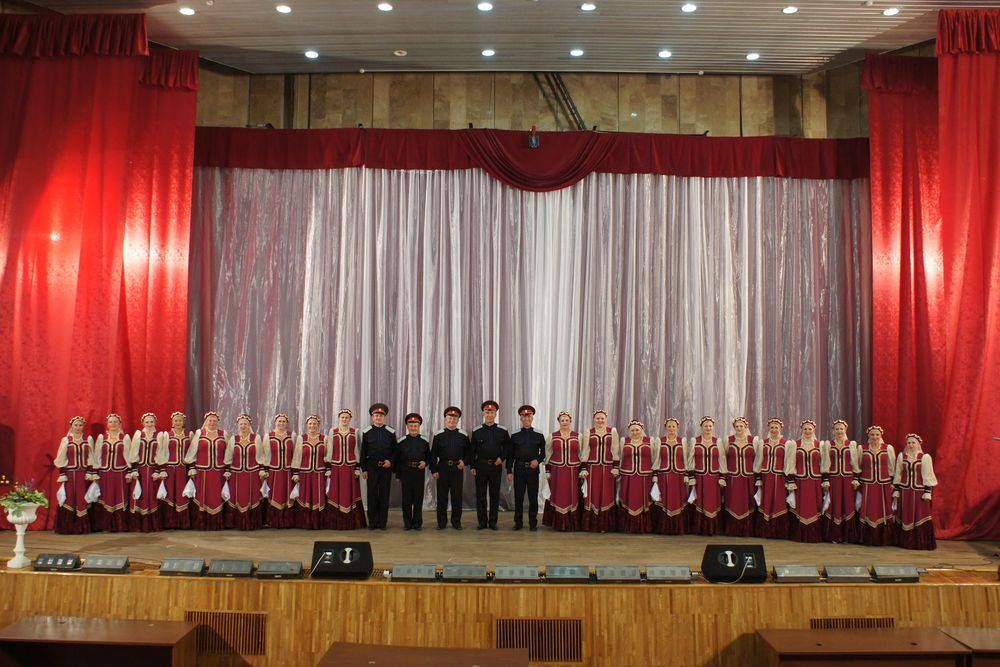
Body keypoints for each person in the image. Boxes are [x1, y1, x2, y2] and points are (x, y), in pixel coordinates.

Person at [542, 411, 585, 532]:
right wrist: (548, 471)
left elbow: (582, 454)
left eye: (567, 420)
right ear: (559, 422)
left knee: (573, 495)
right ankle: (558, 523)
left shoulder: (578, 436)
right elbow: (548, 454)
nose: (564, 422)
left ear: (570, 421)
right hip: (557, 472)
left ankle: (573, 523)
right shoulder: (552, 436)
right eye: (562, 420)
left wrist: (583, 469)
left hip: (573, 471)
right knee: (558, 495)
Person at [185, 411, 229, 531]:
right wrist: (192, 468)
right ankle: (203, 522)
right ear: (206, 421)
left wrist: (227, 469)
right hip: (202, 472)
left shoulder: (223, 434)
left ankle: (218, 523)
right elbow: (192, 451)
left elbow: (228, 453)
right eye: (210, 420)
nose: (212, 422)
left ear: (218, 422)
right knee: (203, 495)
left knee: (217, 496)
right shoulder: (200, 433)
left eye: (214, 420)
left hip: (219, 472)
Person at [893, 433, 937, 550]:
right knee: (905, 514)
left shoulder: (924, 457)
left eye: (913, 443)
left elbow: (928, 475)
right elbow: (898, 473)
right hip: (905, 491)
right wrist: (896, 489)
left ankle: (919, 542)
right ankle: (904, 541)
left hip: (919, 492)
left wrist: (927, 491)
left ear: (918, 444)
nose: (911, 445)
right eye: (909, 443)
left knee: (920, 515)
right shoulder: (902, 456)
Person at [324, 408, 366, 530]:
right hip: (336, 468)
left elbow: (358, 451)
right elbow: (330, 451)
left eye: (347, 417)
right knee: (336, 493)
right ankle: (335, 523)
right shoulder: (333, 432)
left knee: (351, 493)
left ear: (350, 419)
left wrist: (357, 468)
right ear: (339, 418)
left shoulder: (355, 432)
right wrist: (328, 468)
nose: (344, 419)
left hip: (350, 468)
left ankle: (352, 522)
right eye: (342, 417)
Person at [470, 400, 509, 530]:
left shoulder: (502, 430)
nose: (489, 414)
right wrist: (473, 466)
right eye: (487, 412)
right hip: (481, 466)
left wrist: (501, 458)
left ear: (495, 414)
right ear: (483, 413)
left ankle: (493, 522)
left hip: (495, 467)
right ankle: (482, 522)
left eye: (492, 412)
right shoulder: (477, 431)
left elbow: (508, 448)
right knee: (480, 495)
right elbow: (472, 451)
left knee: (494, 495)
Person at [506, 405, 546, 531]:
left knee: (533, 497)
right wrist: (509, 471)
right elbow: (510, 455)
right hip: (519, 469)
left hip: (533, 470)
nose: (526, 418)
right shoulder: (515, 435)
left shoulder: (539, 434)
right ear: (521, 418)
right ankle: (518, 523)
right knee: (519, 497)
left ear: (532, 418)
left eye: (529, 416)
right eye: (524, 416)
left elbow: (544, 453)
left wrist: (537, 460)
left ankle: (533, 523)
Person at [53, 416, 94, 534]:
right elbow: (61, 458)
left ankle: (82, 527)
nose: (78, 427)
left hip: (83, 474)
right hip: (70, 474)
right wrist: (62, 474)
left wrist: (90, 472)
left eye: (80, 425)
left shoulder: (88, 439)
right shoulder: (66, 440)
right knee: (69, 498)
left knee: (82, 498)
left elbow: (91, 457)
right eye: (76, 425)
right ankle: (67, 527)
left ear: (83, 426)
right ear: (71, 426)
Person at [821, 419, 860, 543]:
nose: (839, 431)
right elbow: (826, 463)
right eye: (837, 429)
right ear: (833, 430)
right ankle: (835, 535)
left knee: (848, 505)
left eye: (841, 429)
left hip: (848, 480)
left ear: (845, 430)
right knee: (835, 505)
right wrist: (825, 479)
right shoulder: (829, 444)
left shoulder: (851, 444)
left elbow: (855, 463)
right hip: (834, 480)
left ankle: (847, 536)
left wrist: (856, 478)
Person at [91, 413, 132, 532]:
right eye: (110, 422)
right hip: (105, 473)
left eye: (115, 422)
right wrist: (95, 473)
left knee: (119, 497)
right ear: (107, 424)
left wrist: (130, 472)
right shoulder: (101, 438)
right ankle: (104, 525)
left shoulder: (125, 438)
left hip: (120, 473)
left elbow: (129, 456)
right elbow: (97, 456)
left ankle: (120, 525)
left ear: (120, 424)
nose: (113, 424)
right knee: (105, 497)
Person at [431, 406, 470, 530]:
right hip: (442, 468)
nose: (452, 420)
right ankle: (441, 523)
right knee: (442, 497)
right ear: (445, 419)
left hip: (457, 469)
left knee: (456, 497)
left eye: (455, 418)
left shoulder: (463, 435)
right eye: (449, 418)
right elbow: (433, 454)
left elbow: (469, 453)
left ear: (458, 420)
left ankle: (456, 522)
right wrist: (434, 470)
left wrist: (464, 462)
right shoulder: (438, 435)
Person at [857, 425, 896, 546]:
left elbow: (891, 466)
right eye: (872, 434)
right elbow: (859, 465)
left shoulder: (887, 448)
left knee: (883, 509)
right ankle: (867, 538)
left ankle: (883, 538)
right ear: (868, 436)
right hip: (867, 485)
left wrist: (892, 482)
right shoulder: (862, 448)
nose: (875, 437)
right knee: (868, 509)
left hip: (883, 485)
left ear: (881, 436)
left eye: (877, 435)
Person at [754, 418, 793, 539]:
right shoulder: (763, 443)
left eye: (776, 427)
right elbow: (759, 461)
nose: (774, 430)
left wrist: (789, 480)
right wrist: (759, 478)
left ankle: (779, 532)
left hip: (780, 478)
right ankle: (765, 531)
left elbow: (788, 463)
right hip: (766, 478)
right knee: (766, 501)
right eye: (772, 427)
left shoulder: (786, 443)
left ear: (780, 428)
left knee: (779, 502)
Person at [358, 403, 396, 530]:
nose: (378, 418)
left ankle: (382, 523)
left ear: (385, 417)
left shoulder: (390, 432)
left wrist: (390, 461)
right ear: (372, 417)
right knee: (372, 495)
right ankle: (373, 523)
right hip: (372, 468)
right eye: (376, 415)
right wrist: (364, 469)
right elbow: (363, 452)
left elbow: (395, 451)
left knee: (384, 495)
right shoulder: (367, 432)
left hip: (386, 468)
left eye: (381, 415)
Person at [581, 409, 620, 533]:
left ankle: (605, 525)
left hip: (608, 469)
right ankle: (591, 525)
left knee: (607, 495)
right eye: (597, 418)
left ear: (606, 419)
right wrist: (583, 468)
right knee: (593, 494)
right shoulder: (589, 432)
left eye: (602, 418)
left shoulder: (612, 431)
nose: (600, 420)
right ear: (594, 419)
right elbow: (585, 450)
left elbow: (615, 450)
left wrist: (616, 467)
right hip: (592, 469)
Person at [687, 416, 726, 536]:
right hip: (700, 479)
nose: (708, 428)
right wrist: (691, 477)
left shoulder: (718, 441)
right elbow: (690, 459)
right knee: (700, 502)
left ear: (713, 427)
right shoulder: (695, 441)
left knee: (713, 503)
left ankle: (713, 528)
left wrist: (722, 477)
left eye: (710, 426)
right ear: (701, 427)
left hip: (714, 479)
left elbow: (722, 459)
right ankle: (700, 528)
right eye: (705, 426)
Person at [225, 414, 264, 531]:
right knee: (237, 497)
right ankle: (236, 523)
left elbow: (260, 456)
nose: (243, 426)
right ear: (238, 425)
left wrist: (262, 470)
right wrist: (227, 471)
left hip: (252, 474)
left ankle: (252, 523)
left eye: (245, 424)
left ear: (249, 425)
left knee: (252, 497)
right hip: (236, 474)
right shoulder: (234, 439)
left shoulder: (256, 438)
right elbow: (228, 456)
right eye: (241, 424)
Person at [616, 420, 656, 533]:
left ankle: (643, 526)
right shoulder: (624, 441)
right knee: (628, 499)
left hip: (645, 477)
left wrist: (655, 474)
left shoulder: (650, 441)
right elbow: (620, 457)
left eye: (637, 430)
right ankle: (628, 527)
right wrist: (618, 471)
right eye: (632, 430)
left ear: (641, 430)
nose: (635, 432)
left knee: (643, 500)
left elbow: (654, 459)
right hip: (628, 477)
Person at [290, 415, 329, 530]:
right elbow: (297, 456)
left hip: (319, 474)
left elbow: (327, 456)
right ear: (307, 425)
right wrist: (295, 473)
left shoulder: (324, 438)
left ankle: (318, 522)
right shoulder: (301, 438)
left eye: (314, 424)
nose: (312, 426)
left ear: (318, 425)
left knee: (318, 497)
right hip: (304, 474)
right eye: (310, 424)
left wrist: (328, 470)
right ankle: (305, 522)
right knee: (305, 496)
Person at [723, 417, 760, 537]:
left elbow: (758, 459)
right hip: (733, 478)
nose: (739, 428)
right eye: (737, 426)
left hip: (748, 479)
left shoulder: (753, 440)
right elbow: (724, 458)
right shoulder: (728, 440)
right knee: (733, 502)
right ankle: (732, 529)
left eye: (741, 426)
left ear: (746, 427)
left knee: (747, 502)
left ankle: (747, 529)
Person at [127, 412, 164, 532]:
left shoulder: (159, 435)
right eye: (147, 422)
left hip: (152, 471)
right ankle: (138, 525)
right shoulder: (139, 435)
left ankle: (152, 524)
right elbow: (133, 453)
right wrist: (134, 470)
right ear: (143, 423)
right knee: (139, 495)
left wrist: (157, 471)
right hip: (140, 471)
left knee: (152, 495)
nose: (149, 424)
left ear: (155, 422)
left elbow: (160, 454)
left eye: (151, 422)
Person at [788, 419, 824, 543]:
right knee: (801, 506)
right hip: (801, 482)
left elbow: (823, 464)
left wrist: (825, 480)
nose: (807, 431)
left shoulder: (819, 445)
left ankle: (813, 535)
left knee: (815, 505)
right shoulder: (795, 444)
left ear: (813, 430)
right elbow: (791, 463)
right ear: (802, 430)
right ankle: (801, 534)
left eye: (810, 429)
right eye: (805, 429)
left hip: (815, 481)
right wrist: (791, 481)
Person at [652, 417, 688, 535]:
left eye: (673, 426)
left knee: (677, 500)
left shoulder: (682, 441)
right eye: (669, 426)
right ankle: (664, 527)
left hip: (678, 476)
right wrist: (655, 474)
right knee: (665, 499)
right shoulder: (660, 441)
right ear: (665, 428)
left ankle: (677, 528)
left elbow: (685, 459)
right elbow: (657, 459)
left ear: (677, 427)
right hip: (664, 476)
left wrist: (686, 474)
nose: (671, 428)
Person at [395, 413, 431, 530]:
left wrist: (425, 463)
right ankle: (407, 523)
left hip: (418, 473)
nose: (413, 428)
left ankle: (417, 523)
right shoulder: (401, 441)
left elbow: (429, 457)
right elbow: (398, 459)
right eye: (411, 425)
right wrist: (398, 475)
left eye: (415, 425)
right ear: (407, 426)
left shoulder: (424, 441)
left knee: (418, 499)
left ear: (419, 426)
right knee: (406, 500)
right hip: (406, 472)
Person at [157, 412, 191, 530]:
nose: (178, 422)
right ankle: (170, 522)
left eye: (180, 420)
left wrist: (191, 468)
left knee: (182, 494)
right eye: (176, 420)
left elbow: (192, 452)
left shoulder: (189, 435)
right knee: (170, 493)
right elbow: (162, 452)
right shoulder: (167, 435)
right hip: (170, 469)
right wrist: (162, 469)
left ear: (183, 422)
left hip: (183, 469)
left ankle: (183, 522)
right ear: (172, 422)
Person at [260, 413, 295, 529]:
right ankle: (273, 521)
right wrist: (264, 470)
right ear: (275, 422)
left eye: (284, 421)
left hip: (287, 472)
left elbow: (295, 455)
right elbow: (265, 454)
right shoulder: (269, 436)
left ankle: (286, 521)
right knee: (273, 495)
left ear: (287, 423)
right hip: (273, 472)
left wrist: (295, 472)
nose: (281, 423)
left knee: (287, 495)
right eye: (279, 421)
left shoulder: (292, 436)